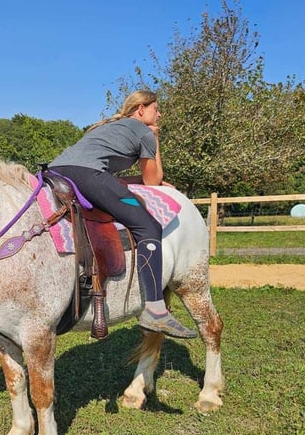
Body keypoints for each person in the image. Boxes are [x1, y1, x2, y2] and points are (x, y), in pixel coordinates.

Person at [48, 89, 197, 339]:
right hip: (88, 175)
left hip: (57, 171)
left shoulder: (109, 127)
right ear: (141, 110)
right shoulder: (142, 131)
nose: (159, 114)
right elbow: (153, 181)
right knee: (148, 226)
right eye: (155, 109)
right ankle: (155, 310)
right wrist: (155, 138)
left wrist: (138, 179)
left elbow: (107, 177)